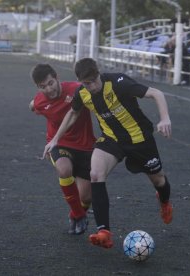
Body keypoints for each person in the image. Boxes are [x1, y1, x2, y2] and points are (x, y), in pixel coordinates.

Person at [44, 58, 173, 249]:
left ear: (98, 73)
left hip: (140, 140)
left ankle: (164, 202)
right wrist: (55, 139)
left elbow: (156, 93)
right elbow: (73, 113)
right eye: (87, 83)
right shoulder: (83, 93)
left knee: (159, 181)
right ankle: (104, 231)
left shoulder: (118, 83)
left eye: (95, 80)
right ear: (81, 82)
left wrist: (164, 119)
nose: (93, 85)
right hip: (112, 140)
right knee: (95, 174)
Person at [29, 64, 95, 235]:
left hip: (86, 146)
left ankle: (75, 214)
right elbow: (33, 105)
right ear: (38, 87)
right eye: (43, 87)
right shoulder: (40, 101)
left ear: (57, 77)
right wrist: (33, 104)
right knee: (64, 170)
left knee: (86, 197)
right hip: (58, 143)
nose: (48, 89)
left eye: (50, 83)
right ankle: (80, 216)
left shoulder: (77, 89)